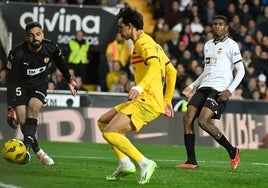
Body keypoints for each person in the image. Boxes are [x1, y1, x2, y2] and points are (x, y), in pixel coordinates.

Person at [97, 6, 177, 184]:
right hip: (150, 100)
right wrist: (167, 100)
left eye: (121, 27)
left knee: (110, 132)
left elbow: (156, 67)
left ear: (130, 26)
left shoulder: (143, 43)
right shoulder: (153, 44)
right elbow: (172, 71)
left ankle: (144, 163)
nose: (119, 31)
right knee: (102, 122)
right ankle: (125, 163)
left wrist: (140, 87)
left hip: (146, 101)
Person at [176, 15, 245, 170]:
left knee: (203, 121)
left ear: (226, 27)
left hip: (219, 89)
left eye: (220, 24)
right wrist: (192, 86)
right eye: (214, 24)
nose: (217, 27)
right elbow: (206, 71)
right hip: (204, 87)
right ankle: (191, 160)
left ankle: (233, 151)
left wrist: (229, 90)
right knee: (187, 118)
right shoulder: (207, 45)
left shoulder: (231, 45)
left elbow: (241, 71)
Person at [5, 21, 78, 165]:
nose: (35, 38)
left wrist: (70, 80)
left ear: (42, 34)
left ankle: (25, 150)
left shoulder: (51, 47)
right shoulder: (16, 53)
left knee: (34, 108)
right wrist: (10, 108)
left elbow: (61, 63)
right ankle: (38, 151)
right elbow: (11, 81)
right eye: (31, 35)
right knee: (22, 119)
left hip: (40, 82)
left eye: (38, 34)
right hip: (21, 84)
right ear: (27, 37)